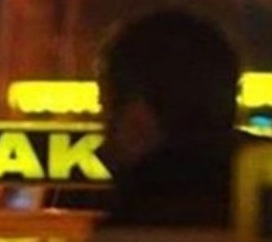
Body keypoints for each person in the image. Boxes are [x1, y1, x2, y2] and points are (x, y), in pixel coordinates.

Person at [96, 10, 242, 227]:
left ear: (137, 119)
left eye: (106, 110)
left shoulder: (133, 230)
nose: (102, 142)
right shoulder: (264, 215)